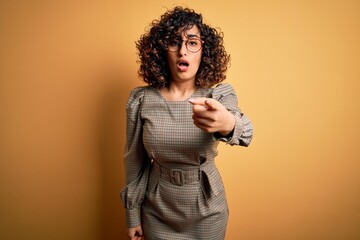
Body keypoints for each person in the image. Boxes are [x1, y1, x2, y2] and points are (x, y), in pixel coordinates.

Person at [120, 6, 253, 240]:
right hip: (157, 209)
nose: (183, 50)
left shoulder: (219, 96)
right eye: (174, 42)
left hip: (207, 209)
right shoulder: (142, 99)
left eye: (192, 42)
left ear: (204, 51)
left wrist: (227, 123)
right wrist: (132, 215)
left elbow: (245, 132)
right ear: (162, 51)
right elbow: (134, 160)